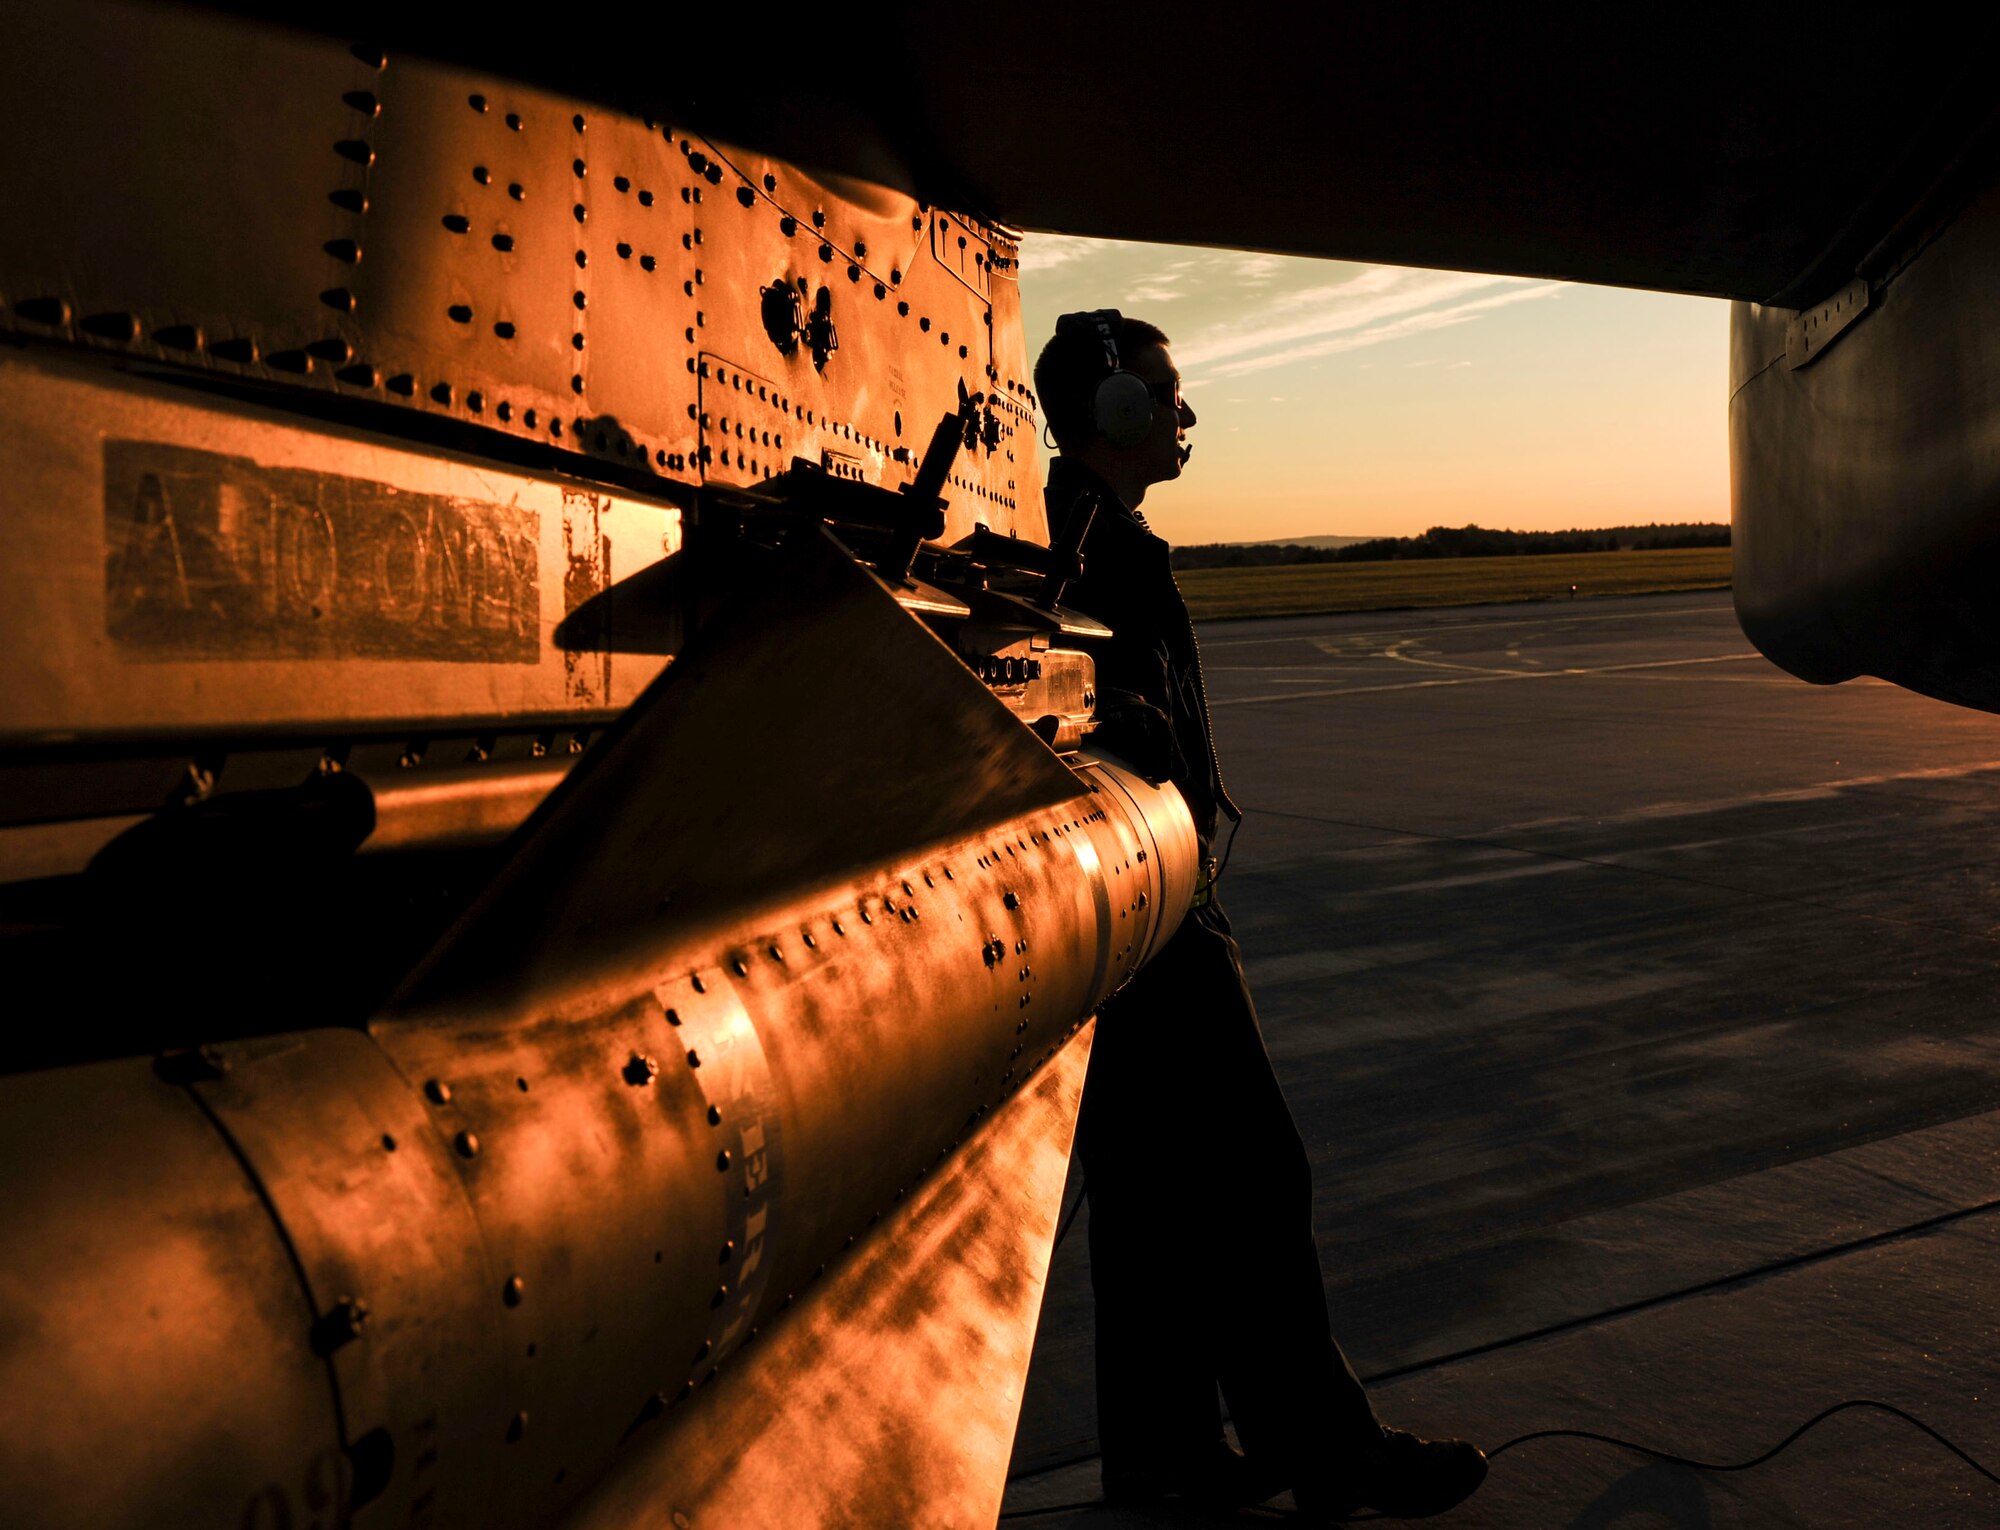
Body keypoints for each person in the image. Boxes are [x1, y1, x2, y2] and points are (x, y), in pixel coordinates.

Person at [1035, 310, 1487, 1520]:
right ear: (1117, 408)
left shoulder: (1085, 535)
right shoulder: (1090, 548)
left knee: (1148, 1200)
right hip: (1152, 906)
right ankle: (1323, 1449)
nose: (1181, 417)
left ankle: (1163, 1461)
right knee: (1251, 1172)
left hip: (1126, 903)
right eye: (1165, 396)